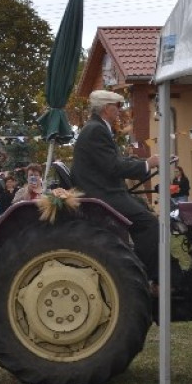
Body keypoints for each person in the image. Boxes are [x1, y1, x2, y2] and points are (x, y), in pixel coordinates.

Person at [72, 89, 161, 285]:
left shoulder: (96, 128)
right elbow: (113, 167)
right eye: (117, 106)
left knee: (143, 208)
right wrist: (148, 164)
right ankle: (153, 278)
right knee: (149, 223)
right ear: (106, 108)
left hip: (102, 189)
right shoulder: (96, 130)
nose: (120, 110)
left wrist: (143, 163)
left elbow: (113, 162)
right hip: (102, 193)